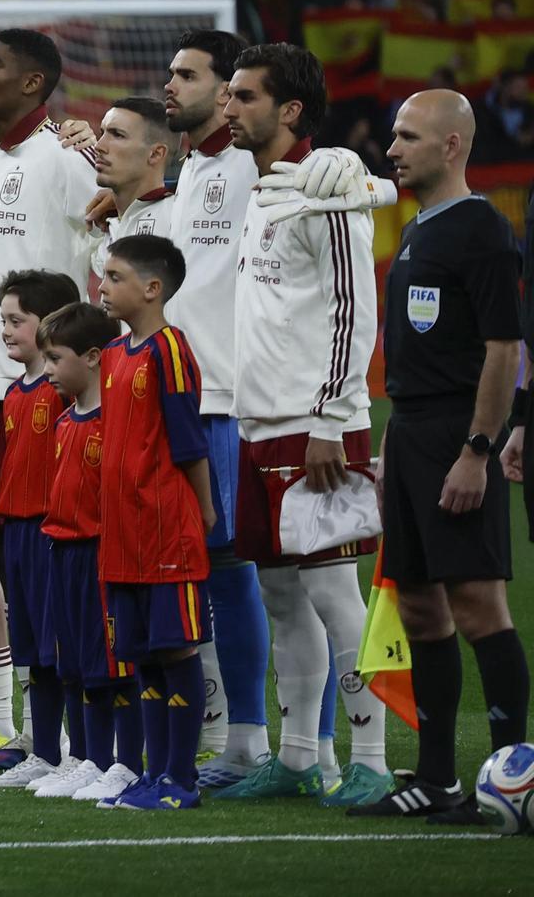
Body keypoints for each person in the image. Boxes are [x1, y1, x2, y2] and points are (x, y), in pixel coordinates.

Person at [218, 43, 391, 805]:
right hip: (261, 421)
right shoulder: (268, 190)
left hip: (316, 422)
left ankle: (374, 761)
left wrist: (330, 417)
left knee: (331, 593)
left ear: (289, 110)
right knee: (283, 597)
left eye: (245, 97)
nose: (229, 108)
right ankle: (296, 759)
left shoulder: (331, 191)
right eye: (228, 95)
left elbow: (355, 311)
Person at [352, 90, 527, 822]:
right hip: (416, 434)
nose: (392, 149)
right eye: (393, 135)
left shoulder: (482, 228)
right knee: (421, 608)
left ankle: (513, 775)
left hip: (461, 434)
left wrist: (477, 451)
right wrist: (398, 444)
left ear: (452, 145)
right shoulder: (421, 228)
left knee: (478, 603)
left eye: (408, 137)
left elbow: (501, 351)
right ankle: (435, 779)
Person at [0, 28, 101, 769]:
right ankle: (33, 737)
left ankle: (76, 740)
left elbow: (110, 246)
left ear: (36, 83)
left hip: (52, 394)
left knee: (55, 562)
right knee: (13, 561)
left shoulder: (67, 157)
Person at [156, 29, 274, 786]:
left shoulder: (251, 168)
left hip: (229, 400)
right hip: (178, 398)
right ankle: (225, 735)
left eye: (187, 76)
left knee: (238, 573)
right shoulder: (193, 169)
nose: (171, 86)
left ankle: (258, 742)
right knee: (193, 572)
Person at [95, 234, 213, 810]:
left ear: (152, 287)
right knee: (141, 656)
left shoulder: (170, 350)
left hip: (166, 527)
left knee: (176, 653)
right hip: (123, 535)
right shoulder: (115, 356)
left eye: (114, 277)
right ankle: (151, 772)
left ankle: (180, 779)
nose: (103, 287)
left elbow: (189, 442)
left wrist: (203, 511)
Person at [32, 302, 144, 801]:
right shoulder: (64, 421)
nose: (49, 370)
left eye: (56, 359)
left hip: (100, 555)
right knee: (73, 665)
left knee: (111, 669)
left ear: (95, 357)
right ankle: (86, 757)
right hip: (63, 553)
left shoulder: (114, 420)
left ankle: (123, 762)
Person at [0, 271, 77, 789]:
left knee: (60, 643)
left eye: (17, 320)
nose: (7, 330)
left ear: (49, 324)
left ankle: (75, 751)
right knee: (31, 644)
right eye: (3, 320)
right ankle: (42, 747)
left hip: (51, 531)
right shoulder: (15, 393)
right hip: (16, 531)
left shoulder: (64, 394)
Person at [90, 97, 177, 276]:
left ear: (155, 154)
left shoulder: (177, 219)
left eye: (117, 135)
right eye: (102, 133)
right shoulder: (103, 223)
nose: (99, 146)